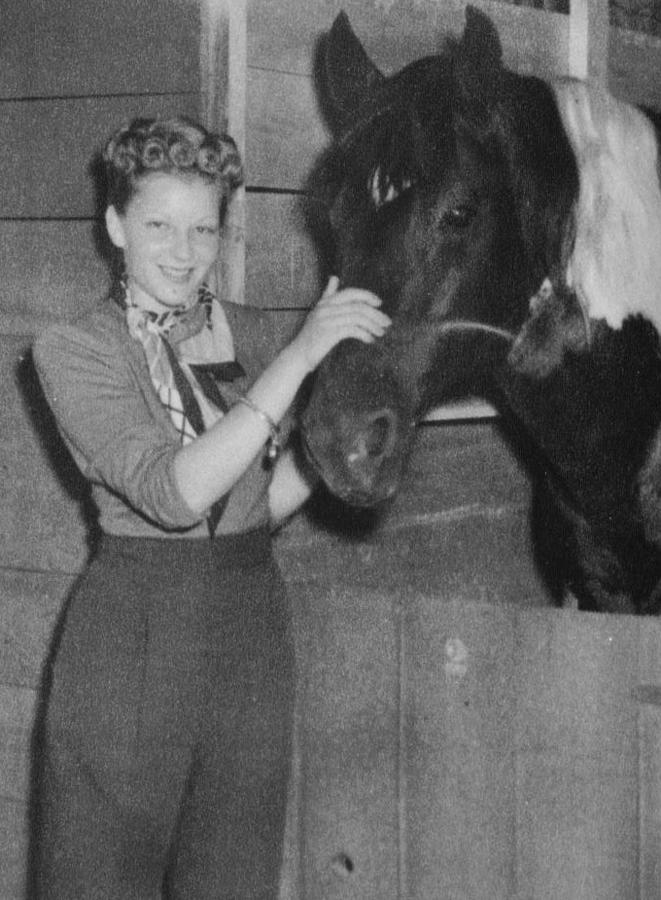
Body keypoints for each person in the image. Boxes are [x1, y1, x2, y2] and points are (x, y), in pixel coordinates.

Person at [32, 116, 390, 899]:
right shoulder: (74, 348)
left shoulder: (239, 337)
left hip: (249, 625)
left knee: (231, 881)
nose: (183, 251)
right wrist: (298, 357)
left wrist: (353, 429)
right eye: (159, 224)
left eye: (204, 228)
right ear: (116, 225)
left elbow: (259, 501)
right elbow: (176, 492)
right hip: (136, 632)